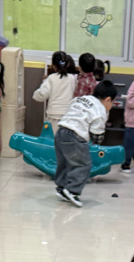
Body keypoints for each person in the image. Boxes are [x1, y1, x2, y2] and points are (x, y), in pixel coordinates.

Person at [54, 80, 116, 208]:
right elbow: (97, 134)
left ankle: (61, 187)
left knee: (64, 162)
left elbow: (72, 109)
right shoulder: (100, 111)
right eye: (113, 103)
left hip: (60, 131)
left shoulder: (81, 98)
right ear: (108, 100)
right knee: (83, 164)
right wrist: (96, 141)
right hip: (75, 136)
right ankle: (73, 190)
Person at [32, 51, 77, 134]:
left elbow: (41, 95)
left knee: (52, 139)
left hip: (53, 116)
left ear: (53, 66)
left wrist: (42, 84)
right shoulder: (72, 79)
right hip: (68, 116)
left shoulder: (51, 78)